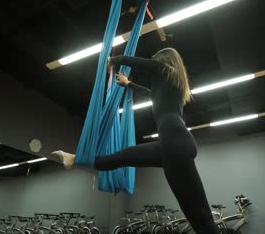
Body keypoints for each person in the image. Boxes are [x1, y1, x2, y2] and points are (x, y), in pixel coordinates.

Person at [53, 48, 220, 234]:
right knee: (125, 156)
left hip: (175, 143)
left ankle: (76, 159)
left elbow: (144, 64)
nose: (154, 63)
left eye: (156, 60)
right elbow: (151, 94)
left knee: (198, 215)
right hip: (172, 144)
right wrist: (128, 84)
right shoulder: (170, 86)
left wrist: (115, 60)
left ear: (164, 61)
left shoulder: (167, 70)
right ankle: (74, 159)